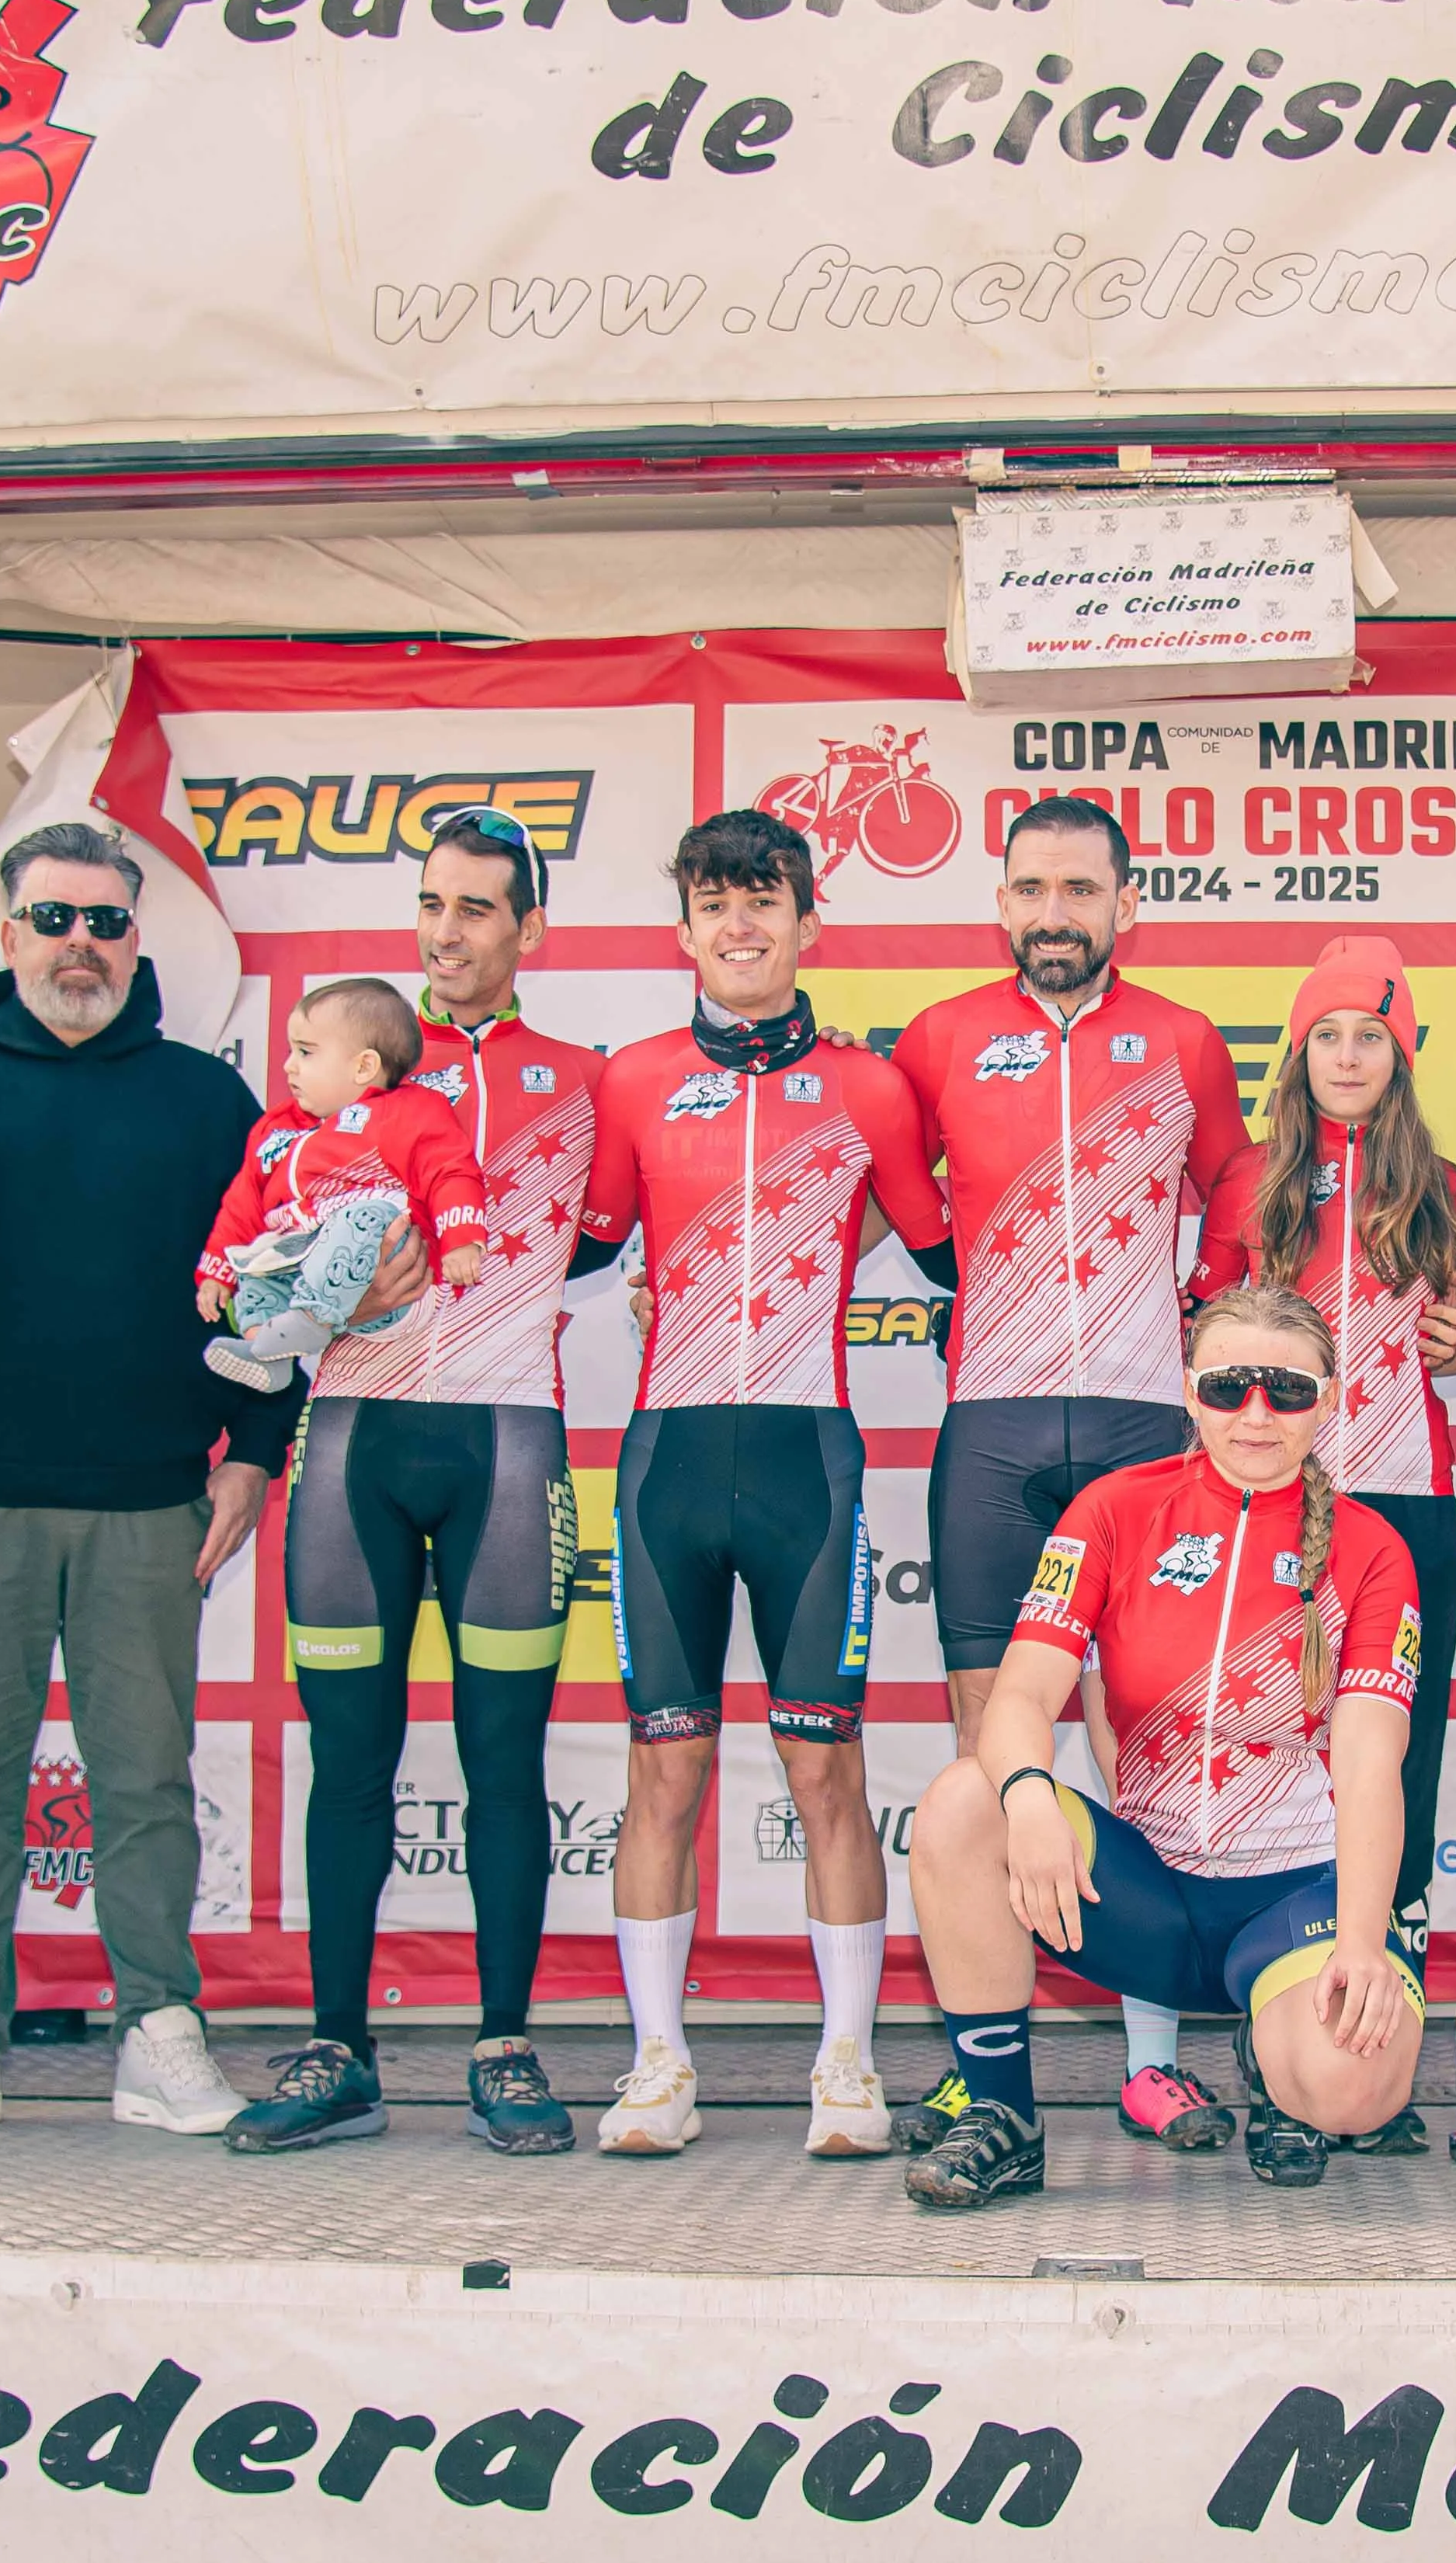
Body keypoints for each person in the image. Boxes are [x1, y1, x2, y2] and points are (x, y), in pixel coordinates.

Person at [0, 819, 287, 2145]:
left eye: (104, 922)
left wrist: (255, 1452)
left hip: (151, 1498)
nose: (79, 946)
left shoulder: (209, 1103)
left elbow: (272, 1294)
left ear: (138, 939)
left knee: (144, 1778)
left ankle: (160, 2027)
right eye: (53, 920)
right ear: (9, 934)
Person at [228, 805, 623, 2161]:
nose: (448, 932)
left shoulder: (586, 1076)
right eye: (432, 904)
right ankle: (339, 2045)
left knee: (505, 1759)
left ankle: (506, 2042)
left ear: (529, 928)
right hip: (349, 1441)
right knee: (351, 1758)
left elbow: (611, 1231)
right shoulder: (328, 1085)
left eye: (476, 908)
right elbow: (253, 1241)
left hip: (507, 1443)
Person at [884, 795, 1251, 2151]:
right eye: (1032, 888)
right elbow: (903, 1199)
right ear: (1002, 903)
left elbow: (1238, 1202)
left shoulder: (1186, 1040)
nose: (1055, 913)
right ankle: (992, 2072)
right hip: (988, 1428)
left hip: (1148, 1431)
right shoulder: (937, 1039)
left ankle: (1154, 2063)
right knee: (993, 1761)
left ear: (1125, 903)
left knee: (1148, 1746)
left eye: (1080, 889)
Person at [586, 812, 949, 2161]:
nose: (740, 925)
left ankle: (846, 2064)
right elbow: (582, 1249)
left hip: (809, 1456)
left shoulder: (869, 1086)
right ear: (683, 929)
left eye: (765, 901)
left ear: (809, 922)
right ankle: (657, 2064)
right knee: (661, 1771)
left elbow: (946, 1246)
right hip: (666, 1457)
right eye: (715, 904)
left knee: (826, 1766)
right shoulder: (630, 1080)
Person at [898, 1281, 1424, 2207]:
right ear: (1188, 1392)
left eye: (1286, 1391)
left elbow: (1372, 1760)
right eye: (1227, 1388)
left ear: (1330, 1401)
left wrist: (1360, 1943)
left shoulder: (1371, 1546)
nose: (1254, 1416)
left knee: (1354, 2088)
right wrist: (1027, 1797)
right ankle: (1003, 2117)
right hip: (1144, 1892)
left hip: (1289, 1896)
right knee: (959, 1802)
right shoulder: (1114, 1508)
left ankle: (1275, 2057)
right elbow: (1020, 1694)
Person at [1188, 937, 1456, 2157]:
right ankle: (1276, 2067)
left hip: (1407, 1512)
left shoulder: (1451, 1189)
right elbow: (1201, 1342)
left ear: (1401, 1052)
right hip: (1278, 1510)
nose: (1350, 1054)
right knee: (1280, 1772)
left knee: (1396, 1779)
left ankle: (1378, 2055)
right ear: (1298, 1051)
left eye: (1372, 1033)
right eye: (1328, 1034)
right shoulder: (1250, 1182)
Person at [198, 977, 488, 1391]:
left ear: (363, 1067)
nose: (289, 1066)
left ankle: (309, 1322)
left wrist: (462, 1237)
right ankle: (267, 1353)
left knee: (362, 1217)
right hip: (302, 1264)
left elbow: (451, 1171)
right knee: (257, 1263)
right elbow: (243, 1201)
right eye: (290, 1050)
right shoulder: (276, 1128)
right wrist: (218, 1269)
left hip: (390, 1279)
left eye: (306, 1052)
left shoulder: (410, 1111)